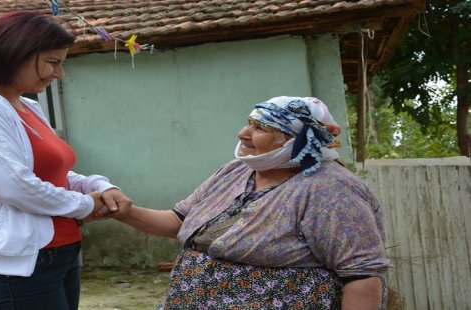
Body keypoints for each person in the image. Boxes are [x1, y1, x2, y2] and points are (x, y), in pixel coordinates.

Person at [0, 11, 131, 310]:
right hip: (11, 265)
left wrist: (98, 186)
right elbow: (14, 186)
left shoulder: (27, 107)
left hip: (56, 252)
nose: (59, 74)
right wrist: (86, 205)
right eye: (52, 62)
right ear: (14, 54)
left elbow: (52, 172)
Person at [107, 96, 390, 309]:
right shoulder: (236, 171)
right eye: (249, 122)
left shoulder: (330, 190)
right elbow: (179, 221)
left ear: (296, 140)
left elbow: (362, 276)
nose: (243, 133)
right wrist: (124, 212)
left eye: (260, 128)